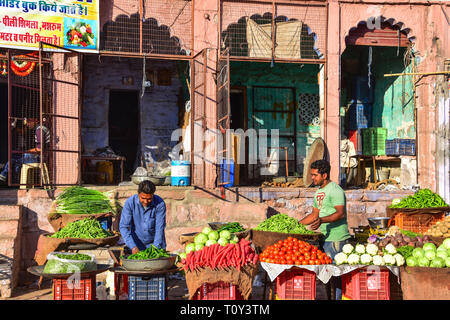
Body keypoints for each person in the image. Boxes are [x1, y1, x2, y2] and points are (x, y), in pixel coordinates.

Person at [299, 159, 351, 300]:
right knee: (325, 275)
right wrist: (297, 225)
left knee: (337, 275)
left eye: (315, 175)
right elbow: (314, 215)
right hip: (324, 238)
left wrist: (321, 220)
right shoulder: (318, 192)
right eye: (312, 175)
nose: (312, 178)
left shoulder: (335, 190)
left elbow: (340, 213)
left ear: (324, 175)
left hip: (337, 239)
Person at [119, 180, 167, 253]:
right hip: (136, 245)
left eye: (149, 199)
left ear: (153, 195)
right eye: (143, 198)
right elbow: (124, 227)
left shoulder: (160, 203)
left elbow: (159, 228)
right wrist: (133, 246)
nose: (146, 202)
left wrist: (155, 249)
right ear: (138, 194)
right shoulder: (130, 203)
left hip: (155, 244)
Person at [0, 118, 50, 184]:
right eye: (26, 122)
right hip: (39, 156)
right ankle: (9, 177)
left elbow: (39, 149)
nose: (27, 124)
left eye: (29, 121)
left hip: (40, 157)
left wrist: (26, 151)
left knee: (15, 159)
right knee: (15, 158)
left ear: (36, 120)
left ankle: (5, 175)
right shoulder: (39, 129)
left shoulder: (40, 130)